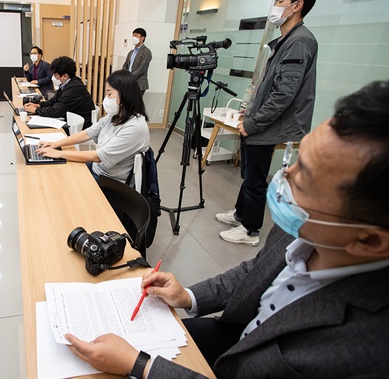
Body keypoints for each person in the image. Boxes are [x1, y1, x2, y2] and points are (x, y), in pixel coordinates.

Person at [64, 80, 389, 378]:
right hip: (237, 335)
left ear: (369, 240)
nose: (284, 178)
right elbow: (256, 271)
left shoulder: (364, 353)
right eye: (295, 162)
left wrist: (141, 366)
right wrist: (188, 296)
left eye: (304, 180)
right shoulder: (309, 227)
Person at [216, 0, 319, 246]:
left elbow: (284, 94)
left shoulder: (299, 41)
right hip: (261, 122)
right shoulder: (287, 40)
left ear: (297, 6)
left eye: (281, 0)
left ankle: (250, 230)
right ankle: (241, 214)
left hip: (270, 125)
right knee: (250, 173)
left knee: (255, 179)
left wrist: (253, 123)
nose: (276, 6)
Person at [36, 69, 150, 184]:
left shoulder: (135, 127)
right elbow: (87, 133)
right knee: (59, 171)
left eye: (109, 93)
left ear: (124, 94)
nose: (106, 98)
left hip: (112, 182)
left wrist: (59, 153)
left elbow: (98, 156)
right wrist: (56, 144)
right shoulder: (114, 116)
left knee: (65, 180)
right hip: (99, 169)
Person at [23, 55, 94, 129]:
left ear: (65, 76)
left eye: (55, 75)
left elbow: (56, 111)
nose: (53, 78)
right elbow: (53, 101)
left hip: (78, 127)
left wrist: (36, 110)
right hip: (70, 119)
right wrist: (38, 105)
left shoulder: (74, 89)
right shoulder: (67, 83)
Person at [122, 28, 152, 95]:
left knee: (136, 104)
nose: (133, 38)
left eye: (136, 36)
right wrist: (125, 76)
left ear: (142, 38)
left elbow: (142, 68)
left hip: (139, 84)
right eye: (133, 36)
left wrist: (130, 77)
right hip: (128, 83)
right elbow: (125, 65)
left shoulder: (146, 51)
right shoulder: (131, 52)